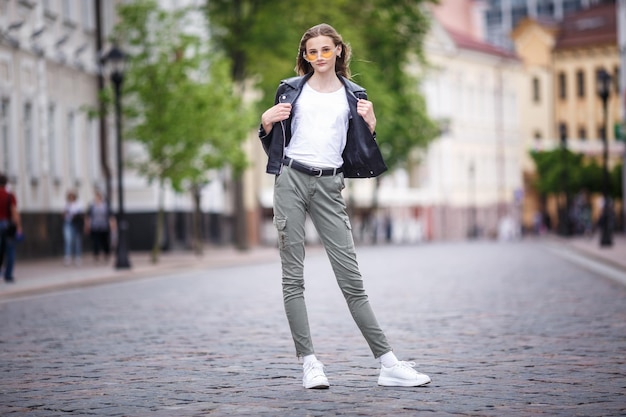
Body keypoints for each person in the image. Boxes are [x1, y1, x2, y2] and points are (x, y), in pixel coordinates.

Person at [259, 23, 431, 389]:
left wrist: (371, 125)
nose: (319, 57)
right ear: (304, 57)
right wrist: (265, 122)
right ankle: (309, 363)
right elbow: (274, 141)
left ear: (338, 50)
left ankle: (388, 363)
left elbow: (358, 149)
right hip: (290, 179)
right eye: (311, 52)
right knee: (293, 278)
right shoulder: (290, 90)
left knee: (351, 280)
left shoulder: (354, 96)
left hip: (330, 184)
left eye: (325, 49)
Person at [0, 172, 21, 283]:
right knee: (10, 250)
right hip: (8, 225)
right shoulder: (9, 195)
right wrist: (18, 226)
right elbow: (14, 211)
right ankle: (8, 275)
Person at [85, 190, 114, 263]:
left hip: (104, 226)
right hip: (95, 226)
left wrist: (112, 225)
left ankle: (106, 253)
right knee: (95, 241)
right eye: (96, 197)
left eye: (98, 197)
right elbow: (88, 216)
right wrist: (87, 225)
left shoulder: (105, 205)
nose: (97, 198)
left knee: (105, 241)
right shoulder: (92, 206)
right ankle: (96, 255)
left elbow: (110, 215)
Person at [63, 190, 84, 266]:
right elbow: (63, 214)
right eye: (70, 196)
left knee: (77, 240)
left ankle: (77, 257)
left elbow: (81, 214)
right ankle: (67, 257)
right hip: (68, 223)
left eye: (72, 196)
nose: (71, 197)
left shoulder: (79, 203)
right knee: (68, 240)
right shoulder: (67, 204)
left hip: (76, 224)